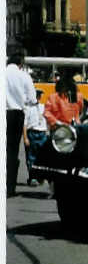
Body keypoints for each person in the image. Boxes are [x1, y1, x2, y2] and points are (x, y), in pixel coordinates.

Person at [6, 52, 37, 196]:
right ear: (21, 63)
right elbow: (32, 98)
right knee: (12, 151)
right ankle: (9, 187)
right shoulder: (24, 76)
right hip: (16, 114)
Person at [23, 87, 49, 186]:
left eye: (39, 95)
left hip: (42, 133)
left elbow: (47, 119)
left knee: (42, 156)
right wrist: (25, 137)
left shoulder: (43, 107)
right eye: (36, 95)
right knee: (31, 156)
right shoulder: (28, 108)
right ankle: (33, 177)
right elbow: (24, 124)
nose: (38, 97)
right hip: (32, 133)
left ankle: (41, 177)